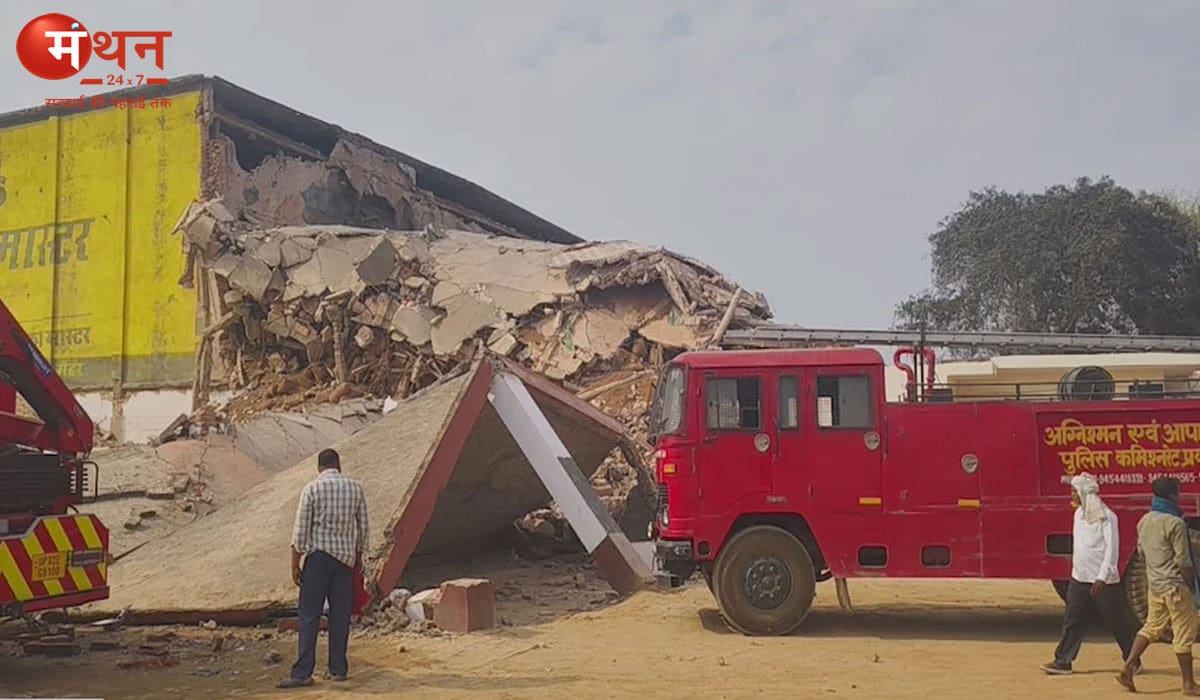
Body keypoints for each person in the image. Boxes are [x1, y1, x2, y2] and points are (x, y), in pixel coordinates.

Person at [277, 448, 369, 689]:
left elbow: (300, 532)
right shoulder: (355, 488)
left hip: (318, 559)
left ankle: (302, 673)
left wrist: (294, 565)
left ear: (319, 467)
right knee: (340, 615)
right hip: (345, 561)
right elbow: (364, 528)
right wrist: (357, 557)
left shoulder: (312, 489)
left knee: (309, 615)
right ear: (339, 465)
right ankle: (338, 669)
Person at [1040, 472, 1137, 675]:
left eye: (1074, 491)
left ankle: (1133, 660)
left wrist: (1102, 577)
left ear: (1084, 493)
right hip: (1079, 578)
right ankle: (1063, 661)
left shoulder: (1108, 517)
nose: (1072, 495)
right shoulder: (1078, 515)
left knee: (1117, 621)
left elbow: (1112, 550)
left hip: (1103, 581)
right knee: (1073, 619)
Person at [1117, 476, 1200, 695]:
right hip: (1175, 587)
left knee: (1151, 627)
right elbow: (1184, 562)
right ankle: (1189, 684)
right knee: (1183, 633)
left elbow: (1142, 552)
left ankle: (1129, 666)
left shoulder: (1144, 521)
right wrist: (1192, 587)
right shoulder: (1175, 523)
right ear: (1174, 495)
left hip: (1155, 586)